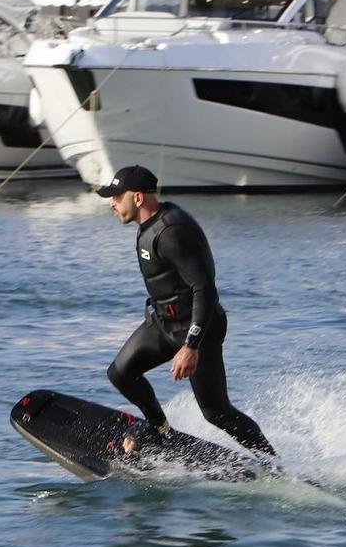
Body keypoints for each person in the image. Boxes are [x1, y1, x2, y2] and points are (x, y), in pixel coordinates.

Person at [97, 165, 275, 455]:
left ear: (138, 198)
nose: (112, 203)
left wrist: (191, 346)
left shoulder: (172, 232)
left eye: (117, 197)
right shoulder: (148, 224)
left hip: (198, 329)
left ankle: (273, 465)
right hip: (164, 324)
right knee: (121, 373)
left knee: (216, 412)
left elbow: (204, 289)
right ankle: (158, 427)